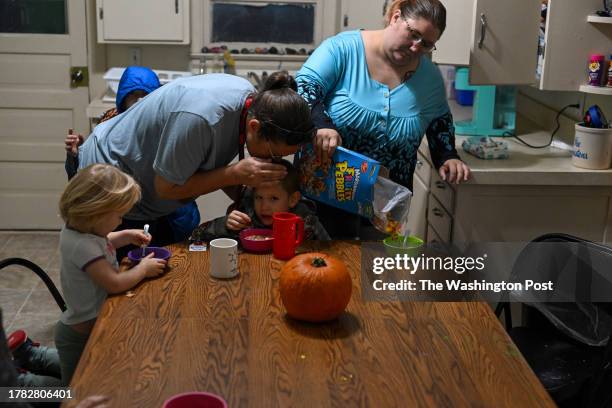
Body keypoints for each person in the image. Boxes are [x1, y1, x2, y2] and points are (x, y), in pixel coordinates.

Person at [77, 71, 314, 259]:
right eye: (274, 154)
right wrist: (233, 175)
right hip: (108, 180)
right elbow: (166, 188)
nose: (272, 162)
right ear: (255, 127)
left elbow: (206, 161)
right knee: (114, 291)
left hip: (147, 186)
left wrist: (248, 199)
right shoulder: (202, 118)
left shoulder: (250, 101)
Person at [296, 0, 471, 239]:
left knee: (375, 272)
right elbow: (304, 87)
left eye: (427, 44)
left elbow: (439, 118)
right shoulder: (342, 49)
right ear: (395, 17)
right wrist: (321, 124)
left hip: (385, 208)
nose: (415, 47)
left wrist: (447, 155)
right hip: (324, 198)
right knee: (322, 270)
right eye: (414, 34)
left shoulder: (429, 77)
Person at [55, 164, 167, 385]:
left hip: (83, 330)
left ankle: (34, 356)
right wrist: (142, 269)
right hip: (79, 336)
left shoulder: (82, 231)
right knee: (73, 391)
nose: (121, 221)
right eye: (118, 216)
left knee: (73, 366)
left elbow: (103, 243)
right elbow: (114, 283)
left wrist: (125, 235)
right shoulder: (81, 246)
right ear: (95, 213)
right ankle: (26, 383)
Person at [64, 66, 201, 244]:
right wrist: (77, 156)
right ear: (122, 98)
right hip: (125, 217)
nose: (140, 100)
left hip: (165, 216)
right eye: (133, 94)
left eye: (146, 94)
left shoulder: (168, 125)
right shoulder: (108, 126)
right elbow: (86, 183)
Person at [191, 159, 330, 241]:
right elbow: (196, 238)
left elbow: (328, 250)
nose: (264, 206)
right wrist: (224, 224)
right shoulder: (246, 218)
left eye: (274, 198)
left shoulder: (306, 221)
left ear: (293, 199)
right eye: (258, 197)